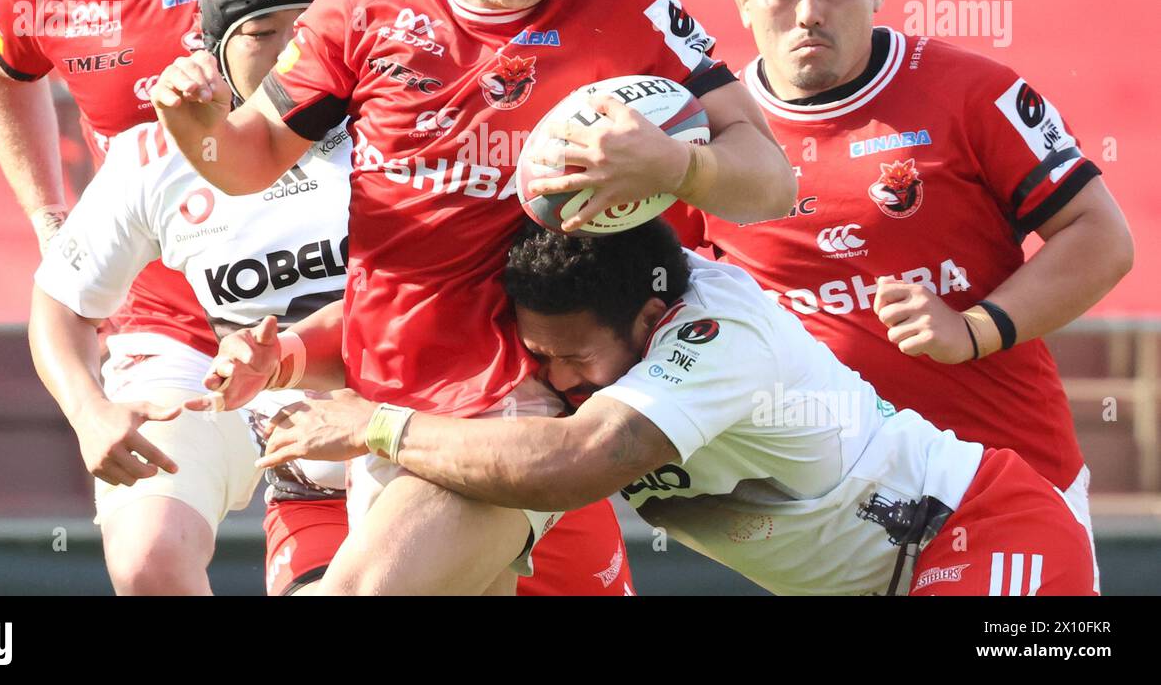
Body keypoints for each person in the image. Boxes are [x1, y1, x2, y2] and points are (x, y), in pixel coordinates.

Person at [152, 0, 797, 594]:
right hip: (393, 401)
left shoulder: (627, 12)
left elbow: (770, 178)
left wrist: (678, 163)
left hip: (523, 402)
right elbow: (243, 163)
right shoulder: (367, 0)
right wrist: (194, 122)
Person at [34, 0, 636, 597]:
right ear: (213, 49)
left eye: (311, 26)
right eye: (263, 33)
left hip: (473, 446)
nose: (294, 51)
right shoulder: (161, 155)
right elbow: (59, 302)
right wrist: (90, 412)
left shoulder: (423, 128)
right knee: (150, 557)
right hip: (311, 477)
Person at [0, 0, 357, 594]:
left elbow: (374, 98)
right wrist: (49, 218)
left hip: (324, 310)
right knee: (146, 563)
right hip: (169, 328)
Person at [672, 0, 1133, 589]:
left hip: (1009, 496)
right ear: (741, 1)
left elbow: (1101, 236)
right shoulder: (710, 142)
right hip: (832, 529)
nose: (809, 13)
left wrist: (975, 327)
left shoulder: (971, 92)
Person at [257, 220, 1097, 596]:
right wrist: (286, 352)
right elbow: (401, 321)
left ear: (654, 324)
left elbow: (578, 461)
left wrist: (372, 425)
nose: (554, 373)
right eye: (538, 351)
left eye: (576, 358)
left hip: (984, 529)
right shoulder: (564, 314)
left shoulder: (719, 331)